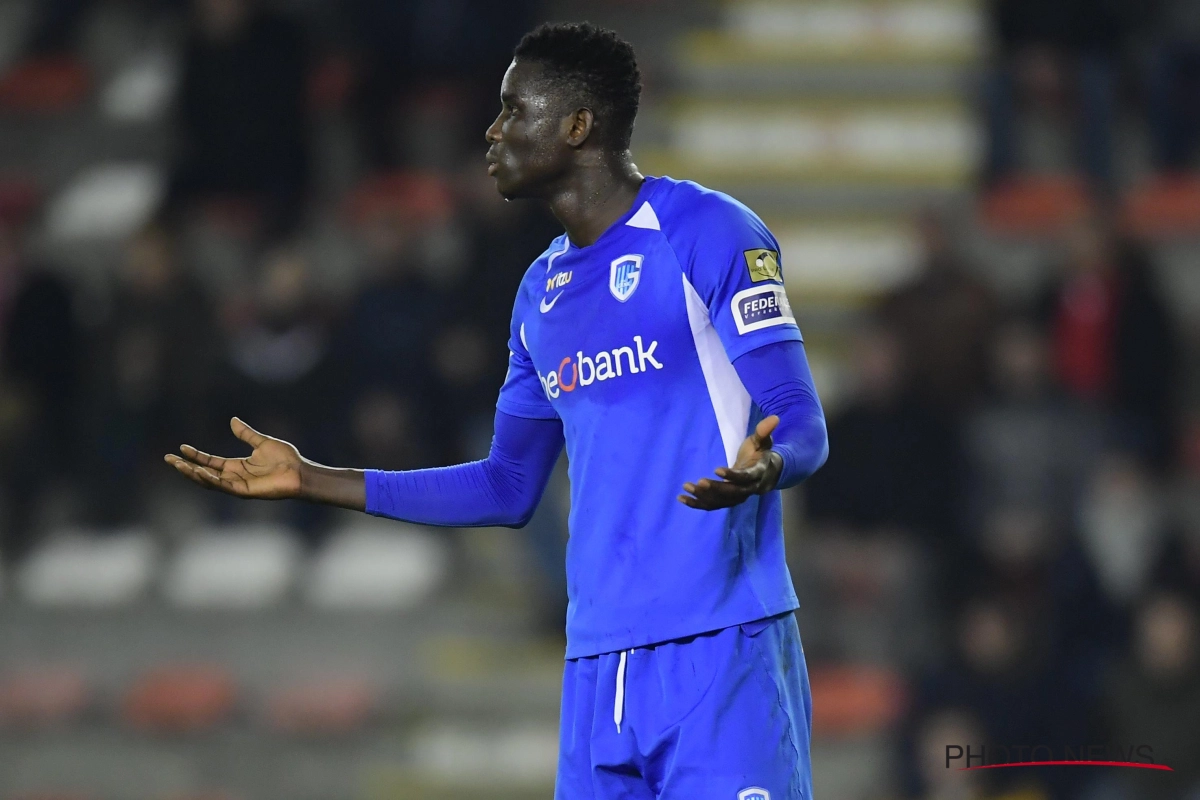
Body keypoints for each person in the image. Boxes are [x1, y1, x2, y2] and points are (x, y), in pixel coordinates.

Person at [166, 22, 829, 799]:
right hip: (597, 670)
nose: (493, 131)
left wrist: (768, 467)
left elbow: (799, 414)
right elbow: (508, 485)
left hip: (721, 647)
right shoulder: (540, 295)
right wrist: (314, 479)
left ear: (578, 126)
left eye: (515, 110)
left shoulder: (706, 232)